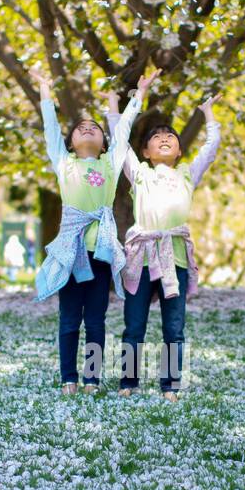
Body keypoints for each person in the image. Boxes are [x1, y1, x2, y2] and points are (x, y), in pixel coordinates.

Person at [31, 67, 159, 393]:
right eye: (80, 129)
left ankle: (91, 378)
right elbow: (49, 129)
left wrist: (138, 95)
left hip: (101, 251)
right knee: (69, 318)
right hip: (70, 251)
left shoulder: (109, 163)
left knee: (96, 321)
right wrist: (45, 89)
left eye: (94, 128)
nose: (87, 130)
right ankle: (68, 378)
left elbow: (125, 128)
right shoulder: (65, 163)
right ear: (71, 143)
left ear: (104, 143)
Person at [108, 92, 220, 401]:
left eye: (170, 135)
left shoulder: (186, 175)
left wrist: (208, 114)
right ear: (145, 151)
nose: (164, 138)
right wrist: (124, 103)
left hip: (176, 259)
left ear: (180, 149)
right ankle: (128, 383)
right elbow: (119, 139)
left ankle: (170, 385)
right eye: (156, 137)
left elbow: (210, 149)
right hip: (141, 258)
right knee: (134, 326)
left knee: (174, 327)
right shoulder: (140, 174)